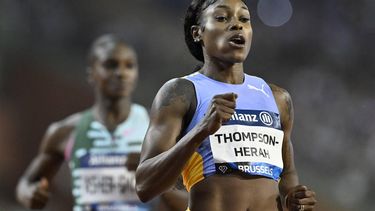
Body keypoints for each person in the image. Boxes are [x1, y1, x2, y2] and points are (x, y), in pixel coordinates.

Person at [135, 0, 317, 210]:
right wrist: (200, 131)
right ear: (197, 33)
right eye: (222, 18)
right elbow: (144, 186)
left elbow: (287, 175)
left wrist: (295, 200)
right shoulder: (181, 93)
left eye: (244, 19)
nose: (237, 25)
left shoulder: (277, 98)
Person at [16, 34, 187, 211]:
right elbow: (26, 184)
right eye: (111, 65)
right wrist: (30, 194)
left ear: (136, 74)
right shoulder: (66, 132)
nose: (121, 73)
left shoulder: (155, 130)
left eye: (129, 66)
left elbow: (187, 203)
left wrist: (153, 176)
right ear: (91, 73)